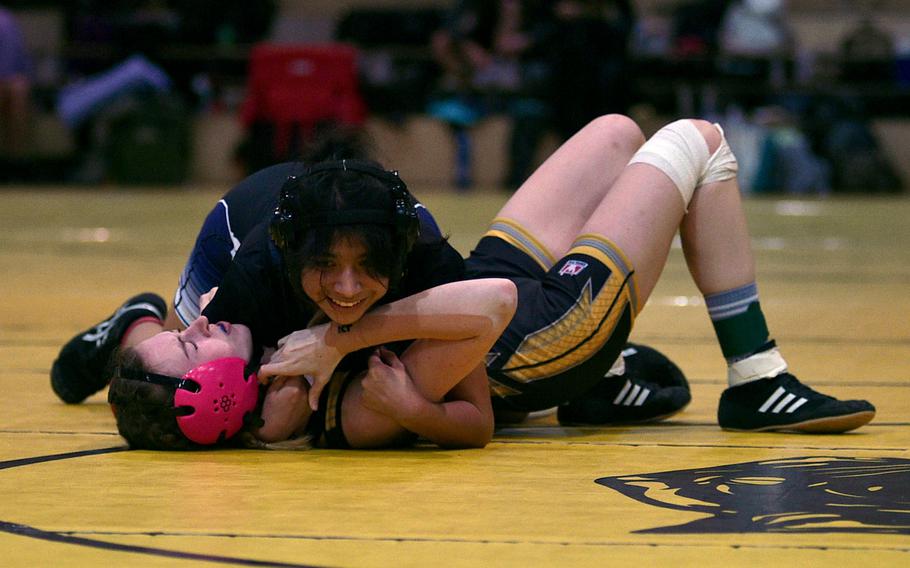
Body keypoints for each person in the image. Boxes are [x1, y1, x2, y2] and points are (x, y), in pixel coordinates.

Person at [263, 114, 875, 434]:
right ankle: (757, 379)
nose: (345, 286)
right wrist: (335, 338)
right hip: (535, 338)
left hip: (473, 297)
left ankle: (606, 379)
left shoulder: (250, 274)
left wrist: (162, 317)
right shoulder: (351, 410)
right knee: (701, 141)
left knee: (616, 134)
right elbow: (491, 310)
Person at [0, 6, 32, 157]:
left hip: (11, 80)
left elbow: (22, 62)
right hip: (6, 81)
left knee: (18, 89)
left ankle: (16, 159)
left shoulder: (7, 20)